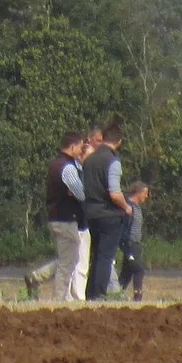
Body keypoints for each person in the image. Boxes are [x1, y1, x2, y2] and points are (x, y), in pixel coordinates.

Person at [80, 120, 131, 304]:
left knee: (96, 256)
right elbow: (115, 193)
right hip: (108, 214)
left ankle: (90, 293)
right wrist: (127, 207)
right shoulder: (112, 161)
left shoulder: (89, 159)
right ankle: (98, 295)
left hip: (90, 213)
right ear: (119, 141)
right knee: (105, 257)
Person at [45, 130, 89, 305]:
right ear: (72, 146)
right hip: (66, 219)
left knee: (68, 258)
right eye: (79, 146)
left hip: (55, 218)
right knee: (67, 262)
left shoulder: (54, 164)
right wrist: (77, 192)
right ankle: (59, 299)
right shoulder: (68, 167)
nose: (81, 150)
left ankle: (58, 293)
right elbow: (81, 194)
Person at [117, 184, 150, 302]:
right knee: (138, 269)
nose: (146, 196)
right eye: (145, 193)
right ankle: (137, 298)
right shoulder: (128, 207)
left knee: (127, 272)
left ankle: (117, 294)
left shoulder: (137, 207)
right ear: (138, 193)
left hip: (135, 244)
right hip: (129, 243)